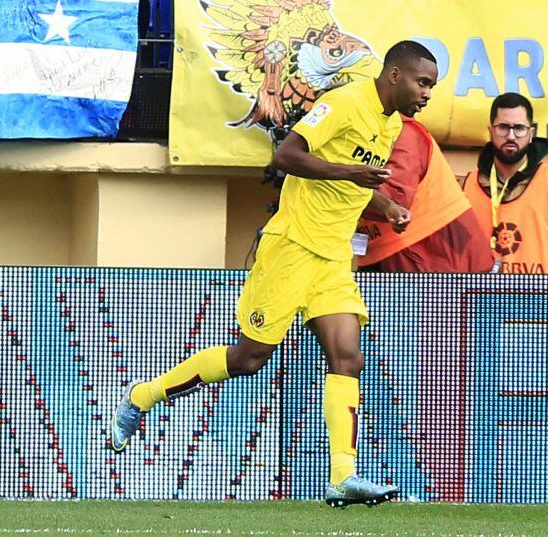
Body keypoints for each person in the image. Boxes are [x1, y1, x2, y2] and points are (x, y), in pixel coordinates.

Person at [109, 40, 439, 508]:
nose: (426, 93)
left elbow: (353, 185)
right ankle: (143, 396)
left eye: (431, 86)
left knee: (347, 359)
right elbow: (286, 157)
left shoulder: (390, 124)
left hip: (331, 257)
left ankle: (343, 476)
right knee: (248, 360)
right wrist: (347, 172)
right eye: (422, 82)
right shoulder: (345, 103)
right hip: (291, 248)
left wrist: (385, 205)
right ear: (394, 76)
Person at [462, 93, 548, 274]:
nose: (511, 135)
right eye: (503, 127)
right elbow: (451, 254)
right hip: (481, 300)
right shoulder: (465, 187)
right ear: (490, 131)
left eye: (519, 128)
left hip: (540, 300)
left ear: (531, 134)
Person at [357, 116, 495, 272]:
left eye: (428, 89)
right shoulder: (379, 128)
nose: (427, 95)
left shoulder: (403, 132)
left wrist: (336, 178)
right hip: (413, 252)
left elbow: (396, 198)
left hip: (430, 254)